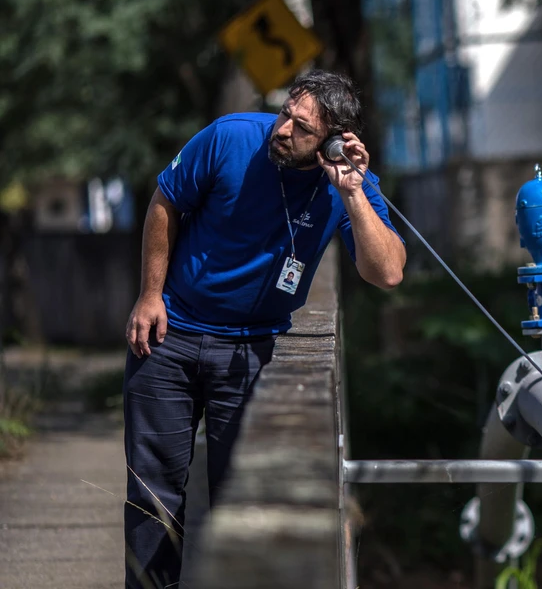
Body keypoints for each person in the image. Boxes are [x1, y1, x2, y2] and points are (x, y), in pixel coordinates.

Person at [121, 70, 406, 588]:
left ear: (333, 143)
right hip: (171, 337)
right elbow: (165, 201)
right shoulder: (229, 137)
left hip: (252, 352)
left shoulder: (344, 185)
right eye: (285, 115)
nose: (283, 130)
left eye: (302, 128)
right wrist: (149, 294)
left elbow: (386, 271)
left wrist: (353, 195)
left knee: (245, 501)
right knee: (152, 496)